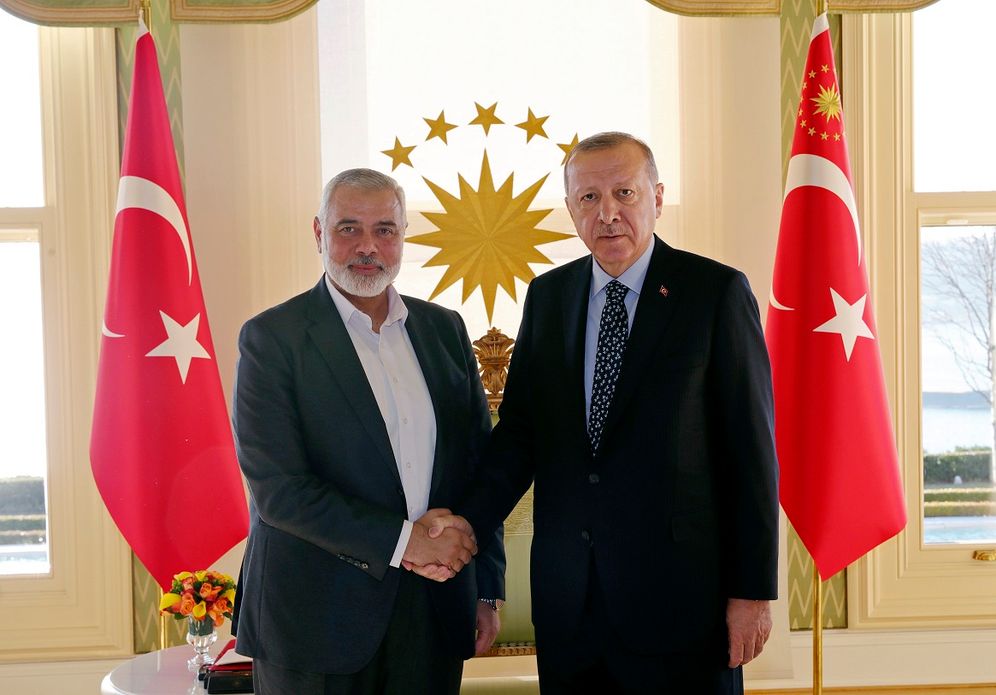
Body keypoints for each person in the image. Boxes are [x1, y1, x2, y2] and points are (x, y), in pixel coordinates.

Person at [418, 132, 778, 693]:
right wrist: (465, 521)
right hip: (571, 607)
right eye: (588, 198)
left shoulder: (715, 294)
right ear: (569, 209)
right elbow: (519, 438)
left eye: (624, 193)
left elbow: (751, 455)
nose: (607, 213)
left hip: (681, 607)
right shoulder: (549, 297)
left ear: (657, 197)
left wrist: (752, 593)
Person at [230, 168, 505, 695]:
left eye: (385, 230)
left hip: (434, 611)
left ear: (403, 236)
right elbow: (279, 491)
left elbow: (478, 467)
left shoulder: (445, 330)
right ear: (318, 233)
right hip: (314, 620)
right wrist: (406, 543)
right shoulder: (272, 338)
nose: (368, 246)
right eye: (348, 228)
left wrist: (485, 589)